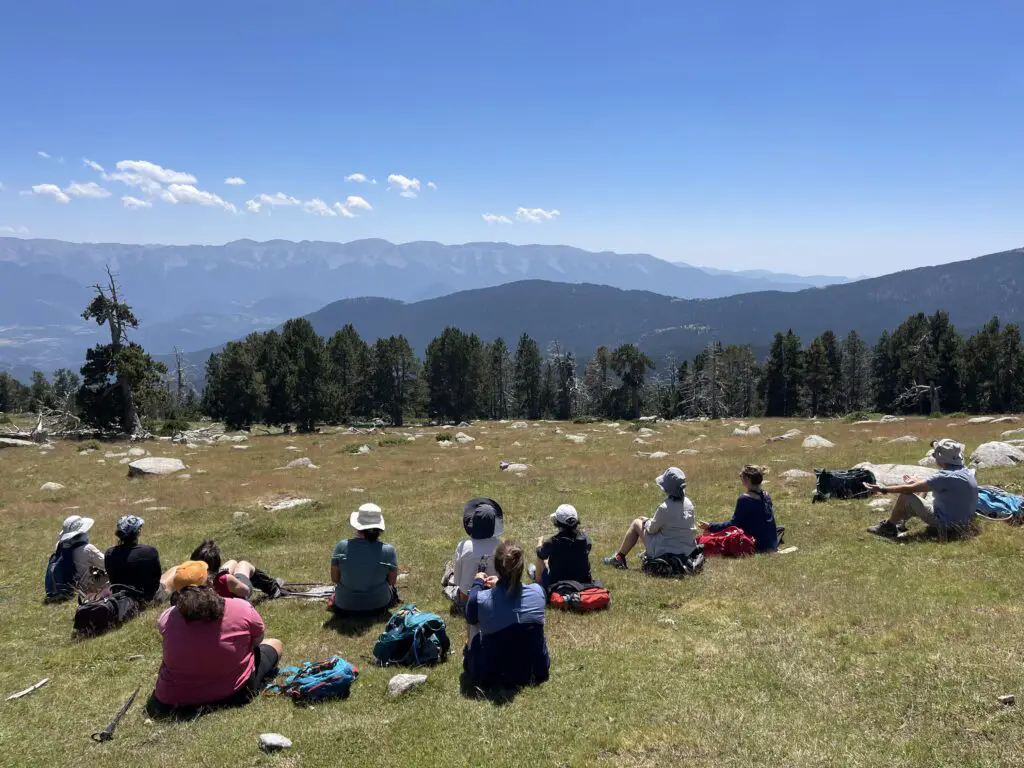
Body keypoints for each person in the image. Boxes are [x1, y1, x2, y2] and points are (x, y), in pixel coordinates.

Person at [146, 560, 284, 717]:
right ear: (209, 582)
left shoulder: (167, 617)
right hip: (234, 694)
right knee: (275, 644)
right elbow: (257, 641)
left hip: (172, 701)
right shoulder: (241, 607)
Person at [464, 541, 550, 690]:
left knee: (475, 622)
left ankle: (470, 653)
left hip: (493, 675)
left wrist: (478, 582)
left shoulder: (481, 599)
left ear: (497, 568)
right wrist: (499, 585)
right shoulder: (538, 591)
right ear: (521, 568)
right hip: (536, 671)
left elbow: (470, 615)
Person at [865, 438, 979, 538]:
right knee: (920, 488)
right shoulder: (966, 471)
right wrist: (917, 482)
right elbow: (940, 484)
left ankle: (889, 527)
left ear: (940, 458)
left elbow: (907, 489)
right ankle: (900, 522)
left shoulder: (944, 476)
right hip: (964, 521)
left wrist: (883, 489)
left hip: (946, 523)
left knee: (906, 494)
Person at [603, 467, 696, 569]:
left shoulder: (665, 508)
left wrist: (645, 520)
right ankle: (631, 555)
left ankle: (619, 558)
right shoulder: (688, 503)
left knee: (636, 523)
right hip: (686, 550)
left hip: (666, 552)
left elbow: (651, 530)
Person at [330, 503, 399, 616]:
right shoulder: (389, 550)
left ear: (357, 525)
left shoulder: (341, 547)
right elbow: (392, 582)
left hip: (345, 605)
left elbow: (335, 579)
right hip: (379, 604)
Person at [698, 465, 780, 553]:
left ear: (748, 479)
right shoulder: (766, 495)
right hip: (772, 543)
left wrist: (711, 526)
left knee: (712, 536)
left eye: (742, 476)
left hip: (758, 545)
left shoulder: (745, 499)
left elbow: (734, 523)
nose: (741, 478)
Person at [450, 498, 504, 611]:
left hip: (468, 599)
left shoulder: (463, 546)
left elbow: (457, 580)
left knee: (450, 576)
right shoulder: (501, 545)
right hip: (494, 597)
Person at [188, 540, 283, 600]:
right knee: (243, 564)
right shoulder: (226, 579)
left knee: (232, 562)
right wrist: (236, 582)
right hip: (237, 594)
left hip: (216, 581)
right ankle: (272, 587)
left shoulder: (189, 580)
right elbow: (246, 592)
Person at [532, 504, 593, 589]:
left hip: (558, 583)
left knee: (539, 560)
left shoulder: (553, 542)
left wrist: (539, 543)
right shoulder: (585, 539)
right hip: (582, 582)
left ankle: (539, 583)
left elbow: (541, 553)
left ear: (557, 522)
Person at [104, 515, 163, 602]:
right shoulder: (150, 551)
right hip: (146, 597)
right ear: (138, 532)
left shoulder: (109, 553)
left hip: (120, 598)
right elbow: (157, 577)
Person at [50, 515, 108, 596]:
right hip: (88, 588)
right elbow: (108, 564)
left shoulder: (59, 546)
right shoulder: (87, 549)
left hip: (75, 587)